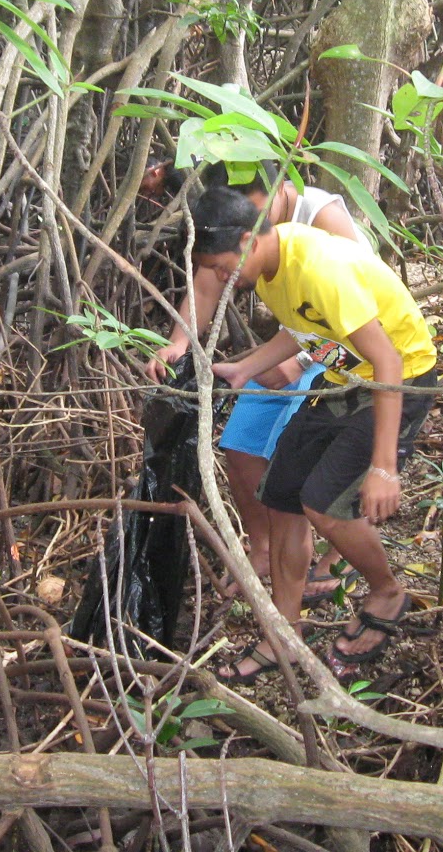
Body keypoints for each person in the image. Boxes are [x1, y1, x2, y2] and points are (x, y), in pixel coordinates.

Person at [187, 187, 438, 681]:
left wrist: (384, 468)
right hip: (343, 377)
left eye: (220, 268)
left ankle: (387, 592)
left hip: (398, 379)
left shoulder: (317, 266)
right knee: (281, 494)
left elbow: (388, 360)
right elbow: (305, 328)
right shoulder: (268, 267)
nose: (220, 279)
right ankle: (284, 632)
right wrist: (245, 368)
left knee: (322, 502)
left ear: (247, 240)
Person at [144, 162, 362, 600]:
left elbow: (358, 309)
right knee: (241, 444)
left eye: (257, 217)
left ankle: (336, 564)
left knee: (301, 462)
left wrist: (302, 362)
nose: (250, 232)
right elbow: (206, 285)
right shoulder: (238, 225)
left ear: (282, 190)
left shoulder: (322, 216)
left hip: (349, 351)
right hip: (295, 342)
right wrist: (178, 345)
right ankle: (263, 555)